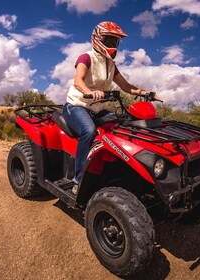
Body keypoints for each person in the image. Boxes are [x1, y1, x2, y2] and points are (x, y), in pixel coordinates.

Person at [63, 21, 149, 194]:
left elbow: (125, 86)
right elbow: (77, 80)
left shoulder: (111, 64)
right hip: (77, 105)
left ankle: (114, 170)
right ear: (98, 39)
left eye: (115, 42)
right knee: (88, 131)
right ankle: (78, 179)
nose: (112, 45)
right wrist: (89, 92)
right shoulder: (86, 57)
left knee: (122, 126)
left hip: (97, 109)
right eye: (109, 40)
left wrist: (144, 93)